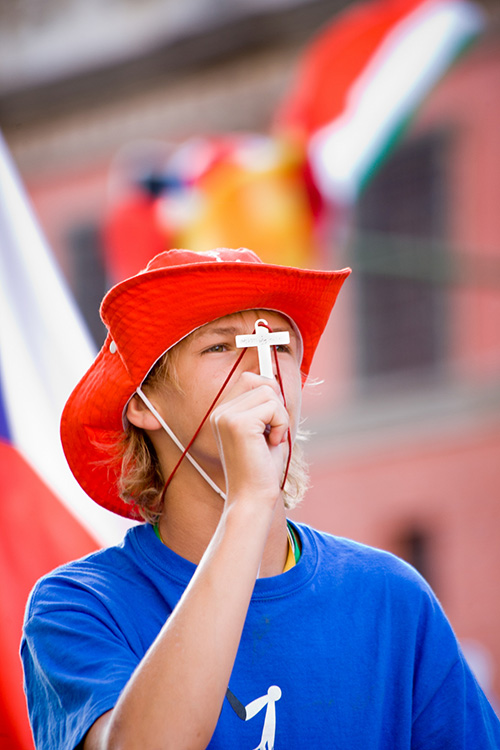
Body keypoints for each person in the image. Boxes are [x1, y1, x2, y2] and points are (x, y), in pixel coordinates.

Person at [22, 247, 500, 749]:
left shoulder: (392, 597)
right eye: (220, 346)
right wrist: (247, 504)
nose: (262, 366)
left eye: (279, 342)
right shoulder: (79, 605)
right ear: (142, 403)